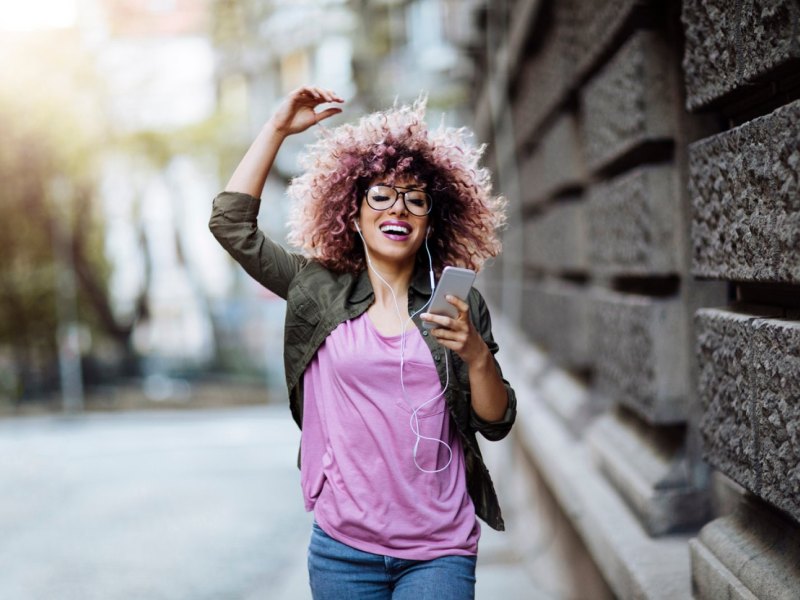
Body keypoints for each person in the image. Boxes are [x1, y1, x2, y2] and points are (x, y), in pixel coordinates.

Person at [209, 86, 516, 600]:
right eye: (381, 194)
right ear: (353, 212)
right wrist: (276, 129)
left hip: (439, 549)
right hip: (344, 549)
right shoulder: (316, 288)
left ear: (429, 224)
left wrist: (476, 354)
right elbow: (230, 224)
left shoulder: (457, 303)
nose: (399, 208)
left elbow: (496, 421)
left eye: (416, 200)